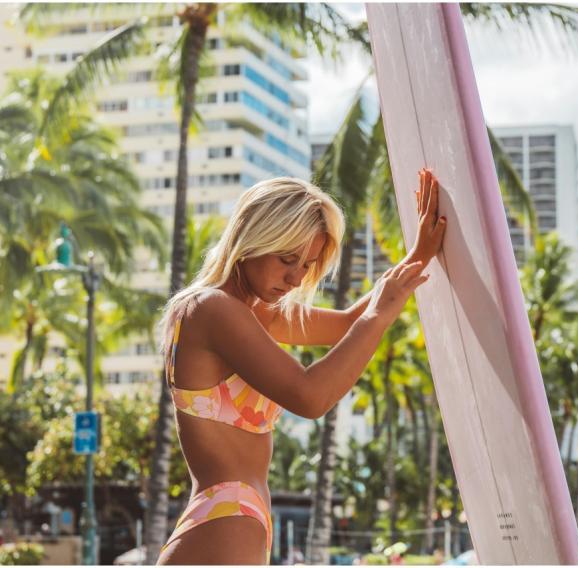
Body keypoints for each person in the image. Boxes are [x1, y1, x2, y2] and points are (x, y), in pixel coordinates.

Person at [156, 173, 447, 564]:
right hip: (225, 522)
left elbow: (347, 324)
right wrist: (379, 315)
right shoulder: (210, 309)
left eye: (307, 265)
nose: (296, 278)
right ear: (253, 238)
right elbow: (310, 397)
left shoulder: (250, 313)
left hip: (231, 519)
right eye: (287, 259)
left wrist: (418, 257)